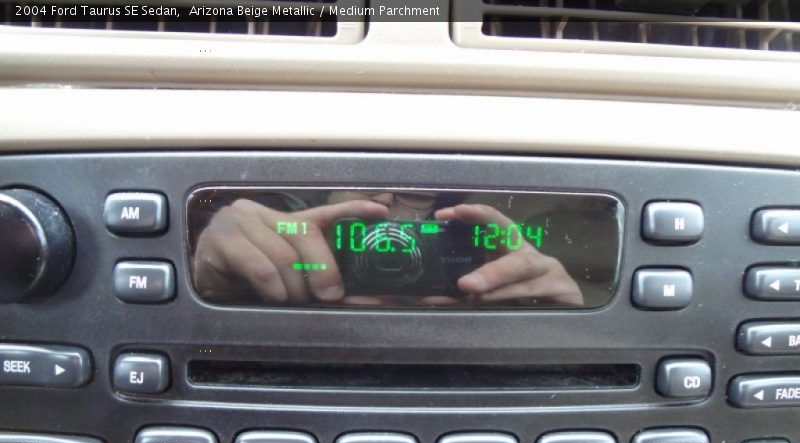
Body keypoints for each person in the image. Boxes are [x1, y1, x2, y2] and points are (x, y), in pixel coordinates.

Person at [192, 189, 583, 307]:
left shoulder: (477, 280)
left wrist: (555, 323)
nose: (380, 199)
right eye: (357, 174)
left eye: (414, 193)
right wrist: (214, 283)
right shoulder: (278, 245)